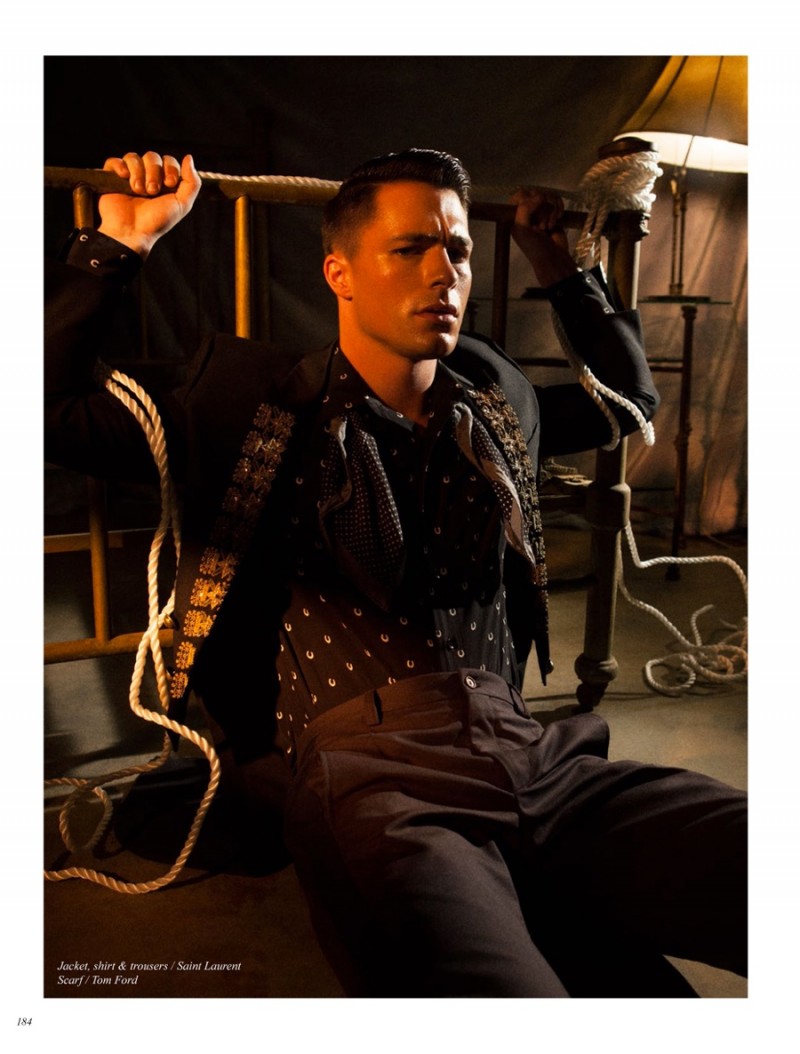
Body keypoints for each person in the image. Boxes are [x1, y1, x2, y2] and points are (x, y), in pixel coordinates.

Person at [45, 147, 746, 998]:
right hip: (370, 777)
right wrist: (118, 247)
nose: (443, 271)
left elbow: (630, 401)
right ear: (339, 271)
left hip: (535, 754)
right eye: (409, 247)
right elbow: (42, 412)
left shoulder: (493, 399)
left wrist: (558, 266)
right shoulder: (252, 399)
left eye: (455, 248)